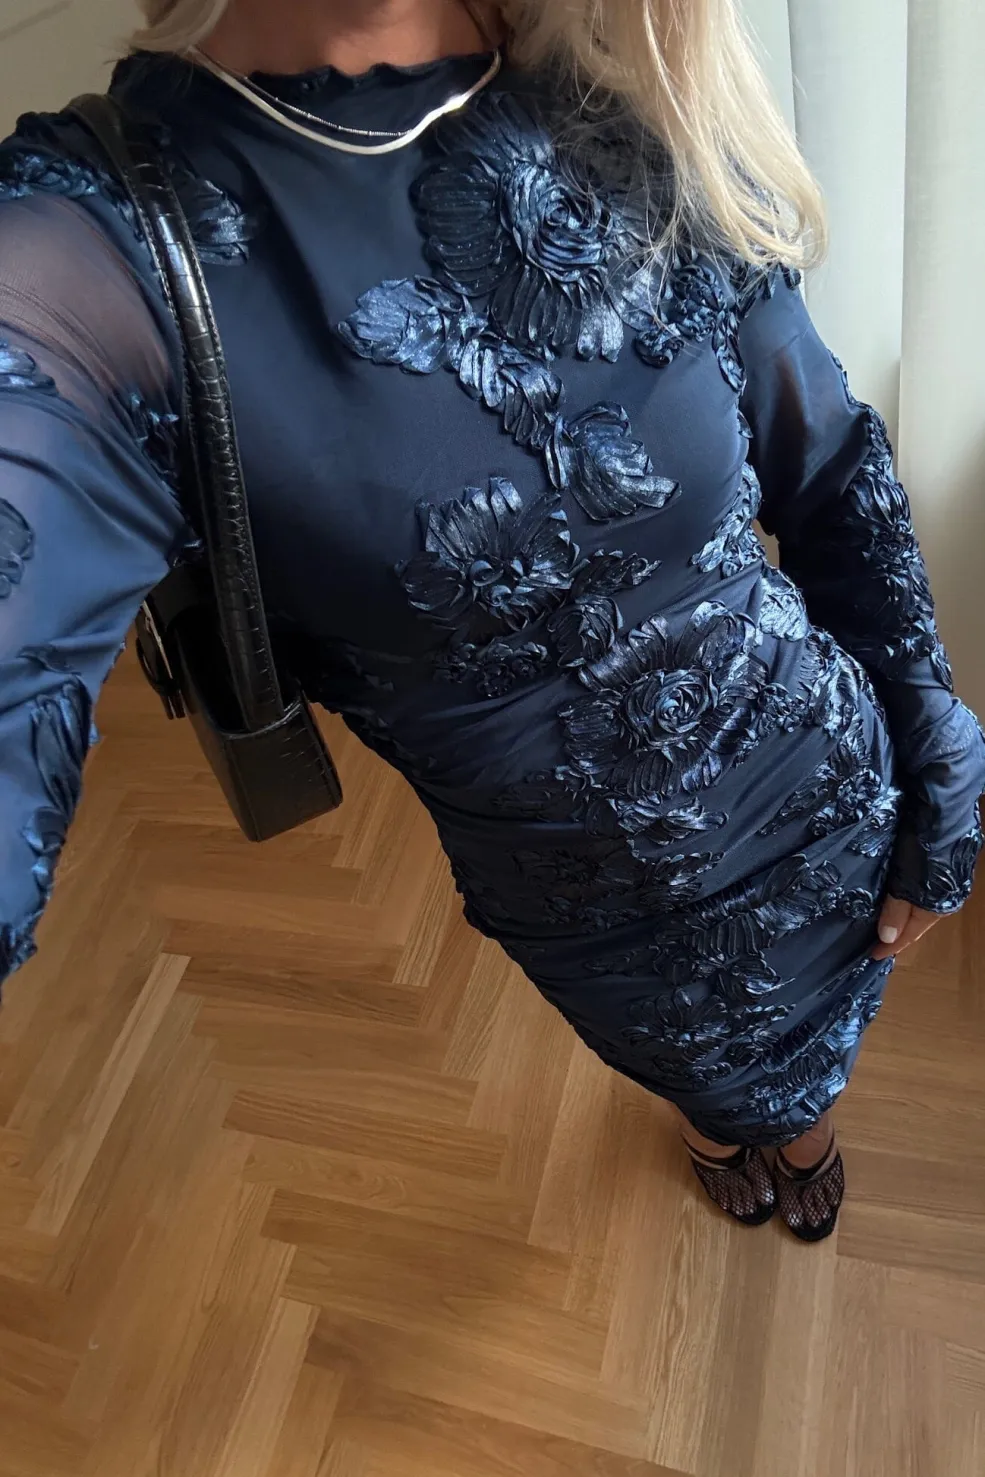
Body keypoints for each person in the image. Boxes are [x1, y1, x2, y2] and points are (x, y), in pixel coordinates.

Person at [0, 0, 982, 1242]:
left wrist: (933, 726)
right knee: (703, 1069)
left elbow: (831, 468)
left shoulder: (632, 86)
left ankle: (795, 1125)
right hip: (591, 909)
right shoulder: (91, 257)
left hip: (827, 794)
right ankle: (724, 1121)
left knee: (821, 1049)